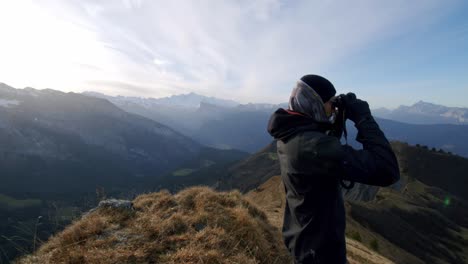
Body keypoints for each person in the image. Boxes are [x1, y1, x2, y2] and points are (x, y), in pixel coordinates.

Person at [267, 74, 400, 264]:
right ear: (314, 103)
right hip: (320, 252)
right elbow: (387, 170)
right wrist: (364, 119)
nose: (332, 110)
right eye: (330, 103)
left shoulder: (289, 132)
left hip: (302, 238)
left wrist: (335, 121)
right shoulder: (312, 147)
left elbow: (323, 147)